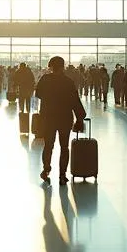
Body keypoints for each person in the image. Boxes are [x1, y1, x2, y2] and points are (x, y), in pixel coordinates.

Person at [35, 56, 85, 185]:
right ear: (63, 67)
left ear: (51, 66)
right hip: (65, 118)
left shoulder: (45, 79)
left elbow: (38, 94)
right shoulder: (68, 81)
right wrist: (80, 117)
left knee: (48, 146)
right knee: (64, 147)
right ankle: (62, 175)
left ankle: (46, 170)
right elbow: (75, 100)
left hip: (49, 118)